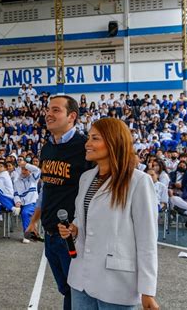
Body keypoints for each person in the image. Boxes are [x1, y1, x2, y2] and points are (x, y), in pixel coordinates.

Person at [58, 118, 159, 310]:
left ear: (114, 141)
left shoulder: (138, 181)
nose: (87, 144)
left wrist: (147, 291)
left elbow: (147, 240)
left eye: (95, 138)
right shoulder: (86, 178)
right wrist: (74, 229)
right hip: (81, 278)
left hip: (116, 283)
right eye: (88, 138)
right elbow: (82, 218)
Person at [26, 95, 91, 310]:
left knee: (77, 290)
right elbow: (47, 188)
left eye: (56, 110)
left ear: (71, 116)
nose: (48, 114)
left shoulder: (85, 147)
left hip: (72, 235)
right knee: (65, 289)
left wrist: (80, 226)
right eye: (48, 110)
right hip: (50, 233)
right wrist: (34, 221)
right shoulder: (47, 148)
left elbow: (94, 192)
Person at [13, 160, 40, 243]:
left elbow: (37, 170)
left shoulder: (33, 179)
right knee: (23, 212)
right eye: (23, 169)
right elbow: (16, 194)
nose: (24, 171)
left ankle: (27, 235)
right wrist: (17, 201)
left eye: (26, 169)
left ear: (29, 170)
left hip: (33, 202)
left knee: (25, 213)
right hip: (22, 204)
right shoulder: (17, 182)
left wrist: (25, 165)